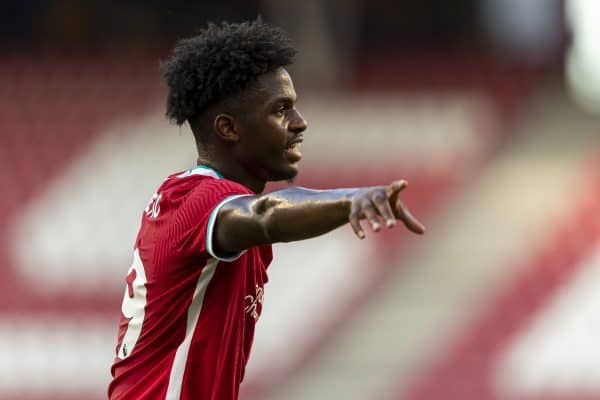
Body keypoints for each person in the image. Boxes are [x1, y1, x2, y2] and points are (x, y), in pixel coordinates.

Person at [108, 19, 425, 400]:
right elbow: (265, 215)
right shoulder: (197, 201)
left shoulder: (206, 211)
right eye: (281, 110)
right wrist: (351, 200)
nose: (299, 123)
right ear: (228, 128)